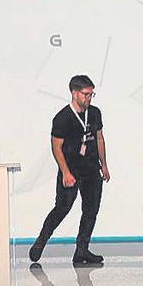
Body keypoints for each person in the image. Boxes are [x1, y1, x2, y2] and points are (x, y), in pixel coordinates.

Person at [29, 75, 110, 267]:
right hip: (71, 170)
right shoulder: (62, 118)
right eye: (86, 94)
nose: (89, 98)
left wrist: (104, 165)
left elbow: (99, 138)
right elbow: (56, 147)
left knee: (91, 210)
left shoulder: (95, 113)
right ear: (74, 93)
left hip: (91, 169)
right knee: (62, 208)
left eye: (92, 94)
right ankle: (41, 242)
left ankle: (82, 250)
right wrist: (65, 172)